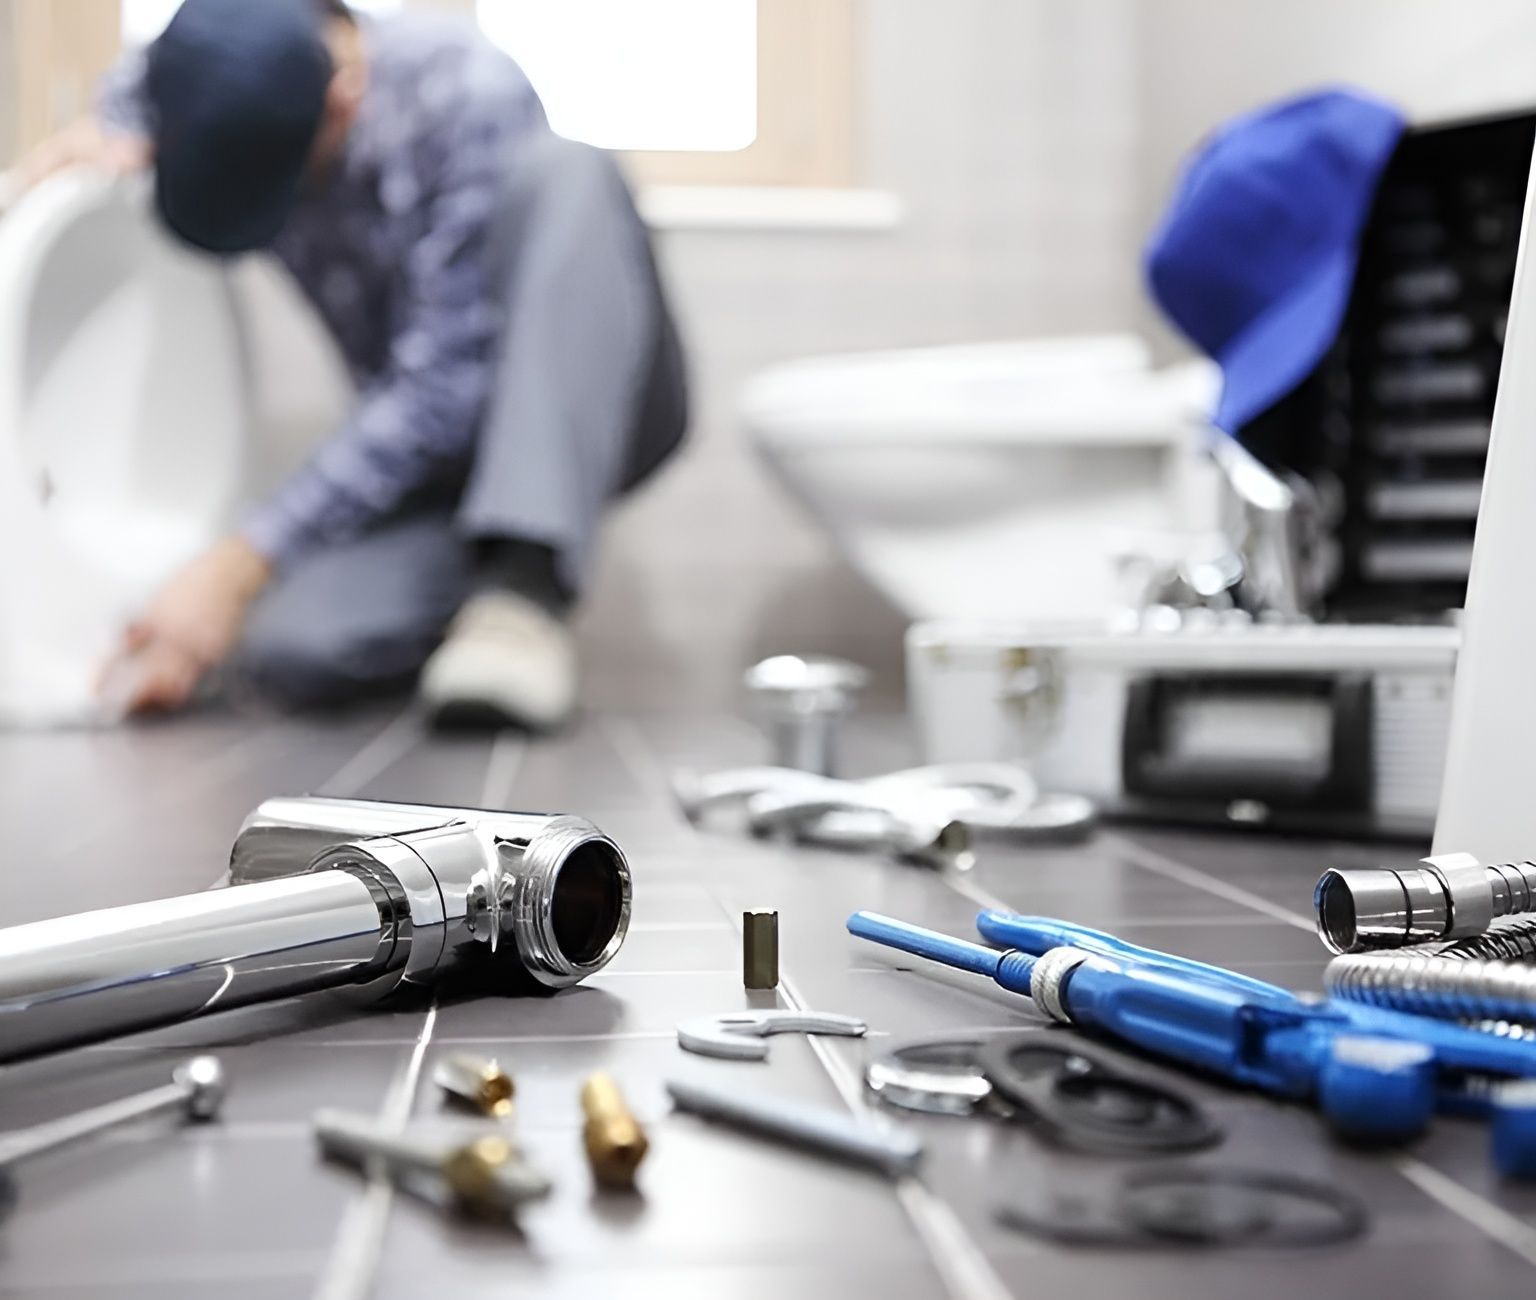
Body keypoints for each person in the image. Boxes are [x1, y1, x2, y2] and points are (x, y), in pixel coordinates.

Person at [18, 0, 687, 730]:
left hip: (588, 391)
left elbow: (444, 386)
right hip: (436, 468)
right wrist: (109, 134)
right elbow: (141, 85)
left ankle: (523, 591)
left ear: (342, 95)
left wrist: (239, 563)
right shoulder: (214, 72)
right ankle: (477, 593)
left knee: (568, 171)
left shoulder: (460, 86)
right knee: (294, 647)